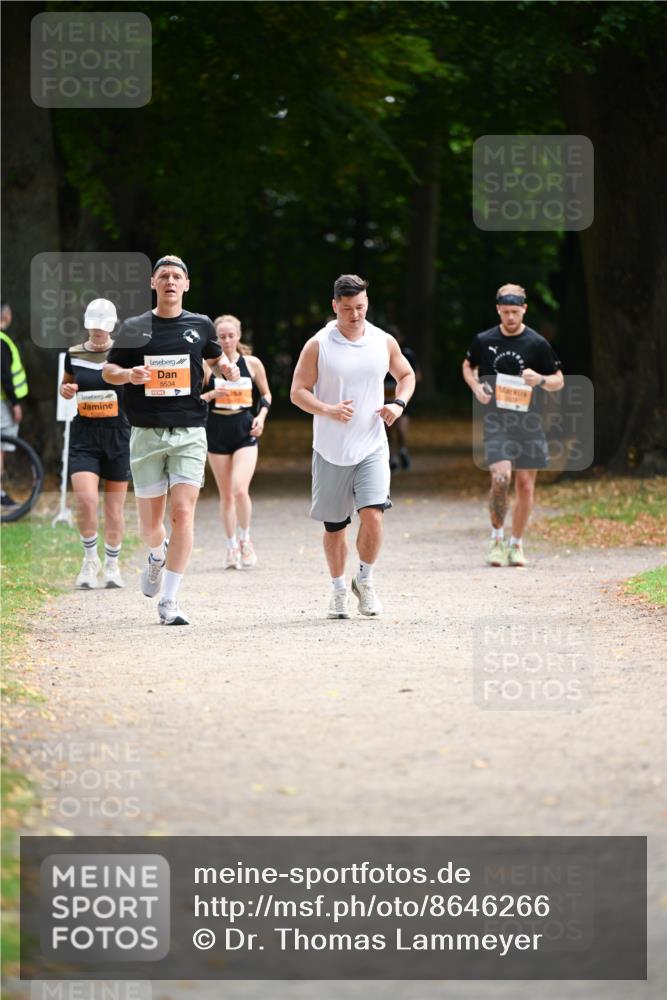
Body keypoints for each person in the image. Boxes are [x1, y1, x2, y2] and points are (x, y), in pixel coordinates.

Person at [103, 255, 239, 625]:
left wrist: (225, 366)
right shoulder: (135, 327)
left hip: (189, 431)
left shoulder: (200, 324)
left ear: (186, 284)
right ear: (153, 283)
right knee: (151, 526)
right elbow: (108, 370)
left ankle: (170, 600)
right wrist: (129, 374)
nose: (170, 281)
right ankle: (155, 555)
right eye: (163, 276)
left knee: (182, 513)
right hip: (146, 432)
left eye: (177, 276)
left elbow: (214, 360)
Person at [290, 274, 416, 619]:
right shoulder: (319, 344)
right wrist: (327, 409)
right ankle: (337, 590)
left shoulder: (382, 341)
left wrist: (398, 404)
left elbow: (406, 376)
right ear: (335, 306)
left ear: (367, 304)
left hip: (372, 444)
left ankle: (365, 580)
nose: (355, 314)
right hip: (331, 449)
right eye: (347, 308)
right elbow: (297, 391)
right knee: (335, 527)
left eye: (360, 307)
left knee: (374, 515)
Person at [462, 283, 564, 567]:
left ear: (524, 310)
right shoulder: (483, 340)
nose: (510, 317)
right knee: (500, 478)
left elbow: (559, 380)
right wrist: (475, 386)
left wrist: (540, 380)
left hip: (529, 422)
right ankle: (496, 539)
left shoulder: (537, 343)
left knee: (526, 486)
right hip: (496, 420)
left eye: (515, 312)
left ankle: (516, 544)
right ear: (498, 310)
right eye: (505, 312)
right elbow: (467, 365)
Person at [60, 299, 131, 588]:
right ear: (87, 324)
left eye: (103, 328)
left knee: (114, 508)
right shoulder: (73, 353)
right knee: (86, 500)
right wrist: (67, 389)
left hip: (117, 434)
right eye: (94, 327)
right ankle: (90, 559)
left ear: (112, 326)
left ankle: (113, 564)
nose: (98, 332)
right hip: (84, 435)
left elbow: (136, 383)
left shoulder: (124, 353)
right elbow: (67, 385)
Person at [202, 314, 271, 569]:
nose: (227, 340)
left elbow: (266, 395)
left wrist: (261, 417)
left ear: (239, 336)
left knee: (240, 489)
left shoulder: (252, 364)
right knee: (226, 495)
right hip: (217, 430)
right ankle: (230, 546)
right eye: (222, 337)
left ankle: (245, 539)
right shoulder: (206, 366)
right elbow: (195, 399)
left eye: (231, 336)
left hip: (244, 429)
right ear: (215, 339)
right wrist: (212, 393)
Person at [1, 302, 29, 507]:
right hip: (3, 404)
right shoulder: (2, 341)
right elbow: (5, 375)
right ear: (6, 315)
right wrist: (15, 403)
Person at [384, 332, 421, 470]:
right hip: (385, 397)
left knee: (401, 429)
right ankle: (392, 458)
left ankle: (402, 451)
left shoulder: (407, 354)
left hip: (402, 398)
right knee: (387, 430)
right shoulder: (378, 351)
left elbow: (416, 375)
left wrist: (405, 387)